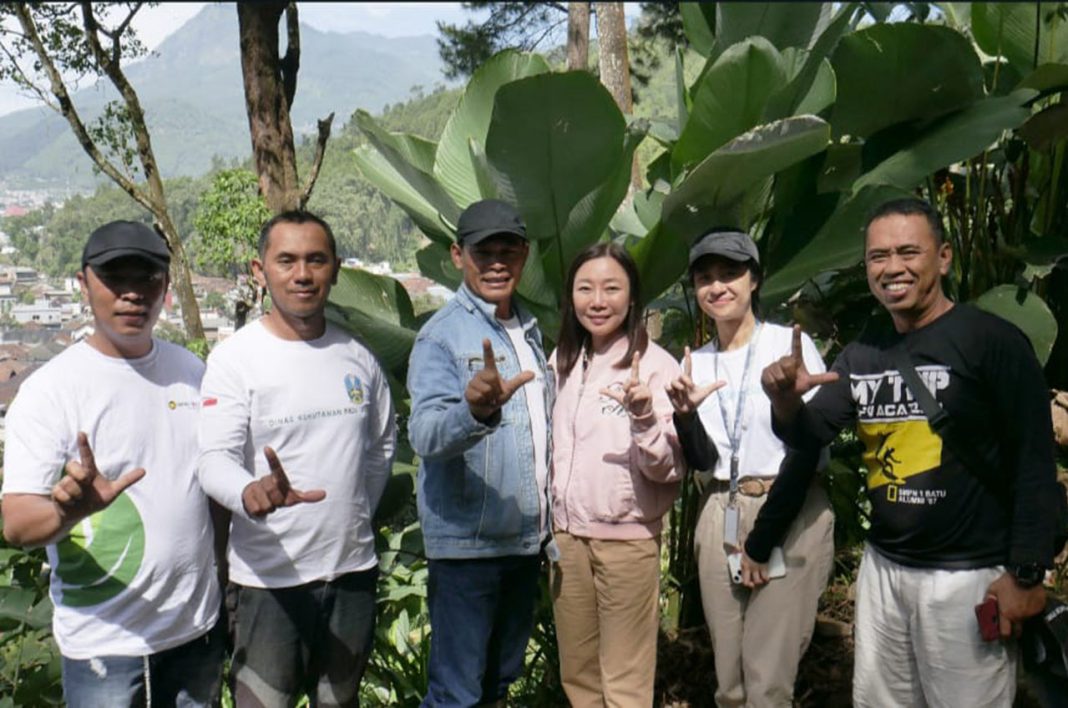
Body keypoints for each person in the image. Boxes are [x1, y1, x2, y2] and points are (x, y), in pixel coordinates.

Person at [761, 198, 1060, 706]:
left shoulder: (991, 342)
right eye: (878, 256)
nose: (892, 268)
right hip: (886, 571)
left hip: (967, 576)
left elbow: (1034, 463)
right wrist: (787, 403)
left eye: (907, 252)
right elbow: (809, 436)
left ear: (942, 257)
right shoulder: (865, 351)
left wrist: (1025, 573)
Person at [0, 221, 224, 707]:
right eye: (113, 279)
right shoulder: (51, 391)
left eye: (146, 279)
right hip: (105, 644)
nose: (131, 295)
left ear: (166, 287)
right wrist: (69, 512)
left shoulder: (192, 373)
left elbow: (210, 491)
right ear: (83, 284)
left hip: (195, 633)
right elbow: (16, 524)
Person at [196, 211, 396, 707]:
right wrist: (249, 492)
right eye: (286, 260)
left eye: (315, 260)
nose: (302, 274)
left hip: (351, 577)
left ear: (335, 268)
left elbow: (379, 451)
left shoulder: (359, 357)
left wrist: (349, 519)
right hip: (267, 585)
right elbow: (214, 460)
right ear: (259, 269)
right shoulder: (236, 358)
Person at [665, 229, 835, 707]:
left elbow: (807, 449)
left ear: (754, 279)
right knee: (730, 681)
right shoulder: (695, 363)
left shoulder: (787, 348)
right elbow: (704, 460)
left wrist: (762, 543)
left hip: (788, 508)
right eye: (704, 278)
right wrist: (684, 416)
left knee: (768, 677)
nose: (717, 287)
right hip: (722, 507)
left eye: (729, 274)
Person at [407, 199, 550, 708]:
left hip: (523, 544)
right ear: (457, 256)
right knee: (456, 694)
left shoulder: (532, 333)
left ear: (524, 255)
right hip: (469, 550)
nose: (496, 262)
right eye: (482, 251)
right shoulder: (442, 337)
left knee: (495, 685)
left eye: (507, 251)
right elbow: (424, 434)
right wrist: (474, 412)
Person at [549, 243, 684, 706]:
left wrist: (644, 417)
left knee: (624, 683)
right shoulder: (563, 362)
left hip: (626, 542)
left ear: (632, 297)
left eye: (612, 288)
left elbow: (669, 470)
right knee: (579, 677)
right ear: (571, 298)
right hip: (566, 540)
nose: (598, 300)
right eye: (585, 288)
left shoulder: (656, 366)